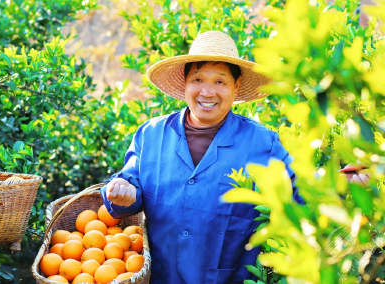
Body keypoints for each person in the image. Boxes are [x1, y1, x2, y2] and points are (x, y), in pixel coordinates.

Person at [100, 31, 302, 283]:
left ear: (236, 87)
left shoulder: (263, 144)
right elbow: (128, 189)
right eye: (198, 79)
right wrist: (121, 191)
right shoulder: (151, 135)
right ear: (185, 82)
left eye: (220, 81)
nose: (207, 92)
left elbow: (302, 194)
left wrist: (344, 184)